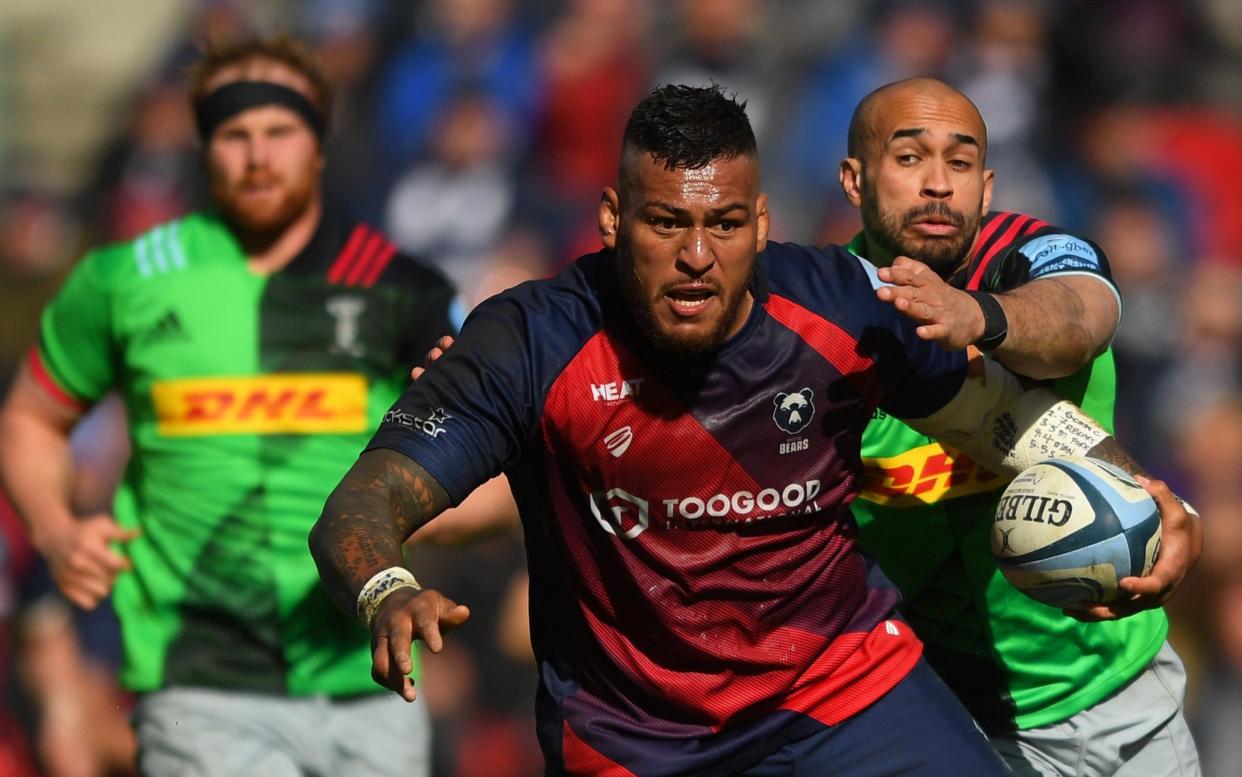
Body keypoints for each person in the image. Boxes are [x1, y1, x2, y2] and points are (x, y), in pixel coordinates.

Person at [309, 84, 1200, 777]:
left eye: (725, 225)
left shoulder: (844, 308)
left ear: (762, 224)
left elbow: (1003, 419)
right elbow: (368, 496)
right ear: (614, 220)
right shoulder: (531, 340)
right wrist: (386, 585)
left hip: (845, 684)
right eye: (667, 222)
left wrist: (1136, 491)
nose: (698, 255)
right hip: (636, 732)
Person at [0, 35, 510, 777]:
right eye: (236, 135)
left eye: (281, 132)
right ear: (204, 147)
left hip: (371, 680)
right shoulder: (125, 280)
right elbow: (30, 418)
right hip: (198, 686)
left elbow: (497, 478)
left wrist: (406, 514)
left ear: (320, 144)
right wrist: (52, 526)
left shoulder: (402, 290)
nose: (259, 156)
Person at [840, 78, 1203, 775]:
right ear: (854, 180)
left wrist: (978, 317)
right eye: (909, 158)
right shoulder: (827, 323)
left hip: (1126, 699)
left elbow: (1076, 319)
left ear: (987, 183)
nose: (939, 184)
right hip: (952, 720)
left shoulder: (1032, 251)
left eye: (961, 161)